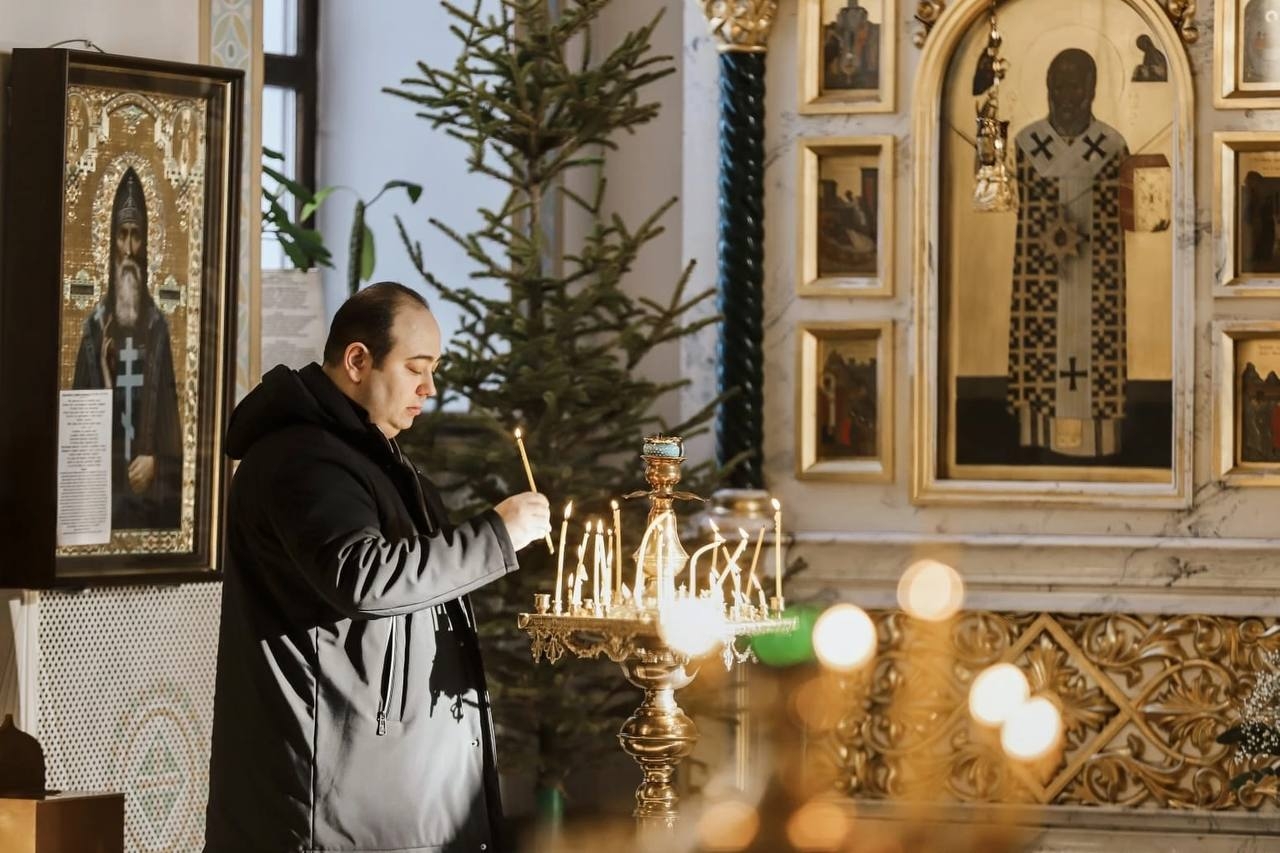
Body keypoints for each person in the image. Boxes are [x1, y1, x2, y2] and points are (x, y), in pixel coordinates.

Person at [204, 282, 551, 852]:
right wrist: (498, 534)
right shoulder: (303, 458)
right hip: (332, 815)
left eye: (434, 370)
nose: (429, 388)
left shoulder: (371, 459)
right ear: (358, 361)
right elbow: (363, 577)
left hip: (379, 803)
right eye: (416, 368)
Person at [1005, 48, 1130, 458]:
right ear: (1047, 87)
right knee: (1040, 346)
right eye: (1057, 84)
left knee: (1098, 348)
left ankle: (1100, 439)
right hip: (1041, 282)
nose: (1066, 94)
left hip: (1098, 281)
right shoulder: (1027, 144)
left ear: (1092, 88)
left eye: (1075, 85)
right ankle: (1038, 435)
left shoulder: (1112, 146)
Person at [72, 167, 182, 529]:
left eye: (137, 235)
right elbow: (78, 432)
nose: (130, 249)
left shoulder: (157, 328)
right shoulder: (94, 329)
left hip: (150, 502)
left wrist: (156, 462)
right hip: (103, 494)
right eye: (123, 235)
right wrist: (105, 381)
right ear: (110, 242)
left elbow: (174, 429)